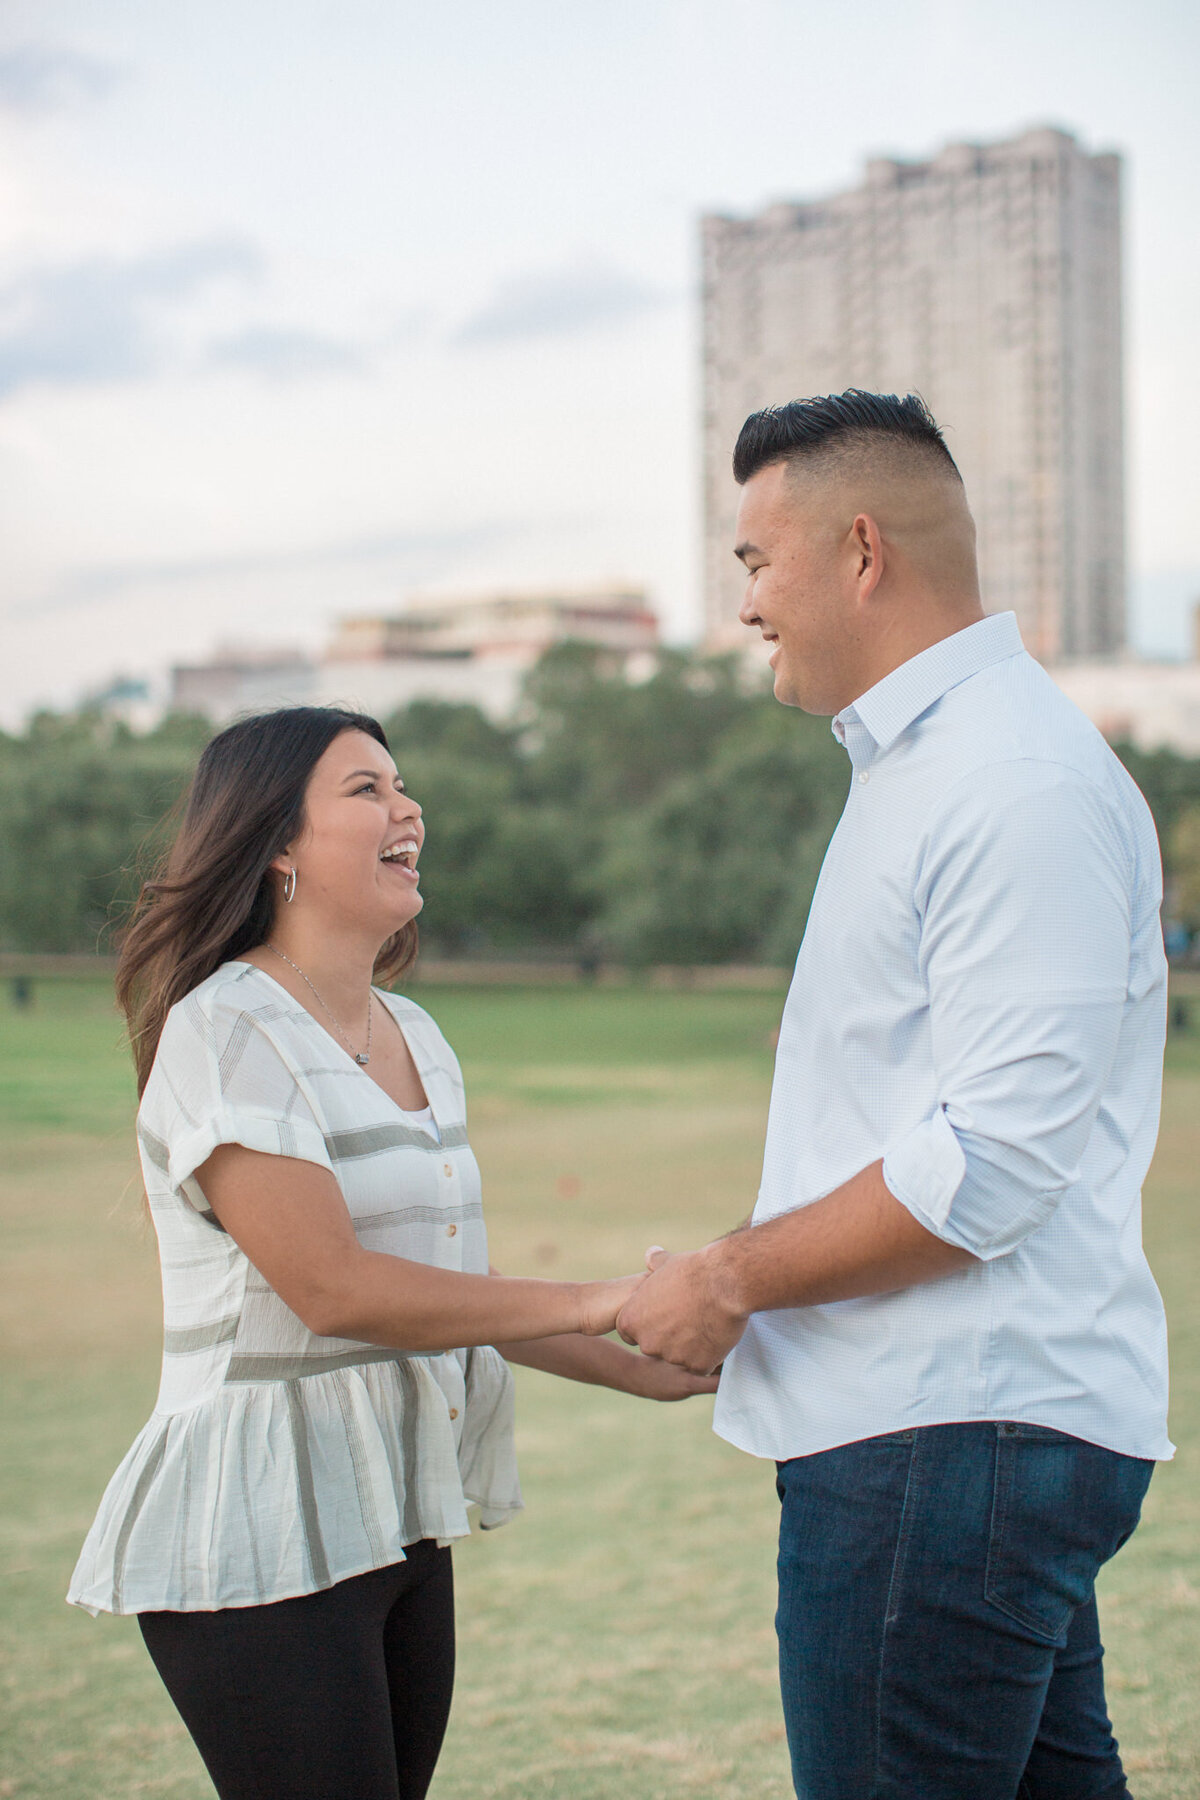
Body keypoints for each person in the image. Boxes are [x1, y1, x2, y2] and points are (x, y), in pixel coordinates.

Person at [616, 391, 1171, 1800]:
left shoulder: (1010, 777)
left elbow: (989, 1163)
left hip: (947, 1444)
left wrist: (733, 1276)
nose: (744, 605)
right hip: (955, 1441)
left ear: (860, 550)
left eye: (754, 558)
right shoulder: (930, 766)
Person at [68, 705, 715, 1800]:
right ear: (275, 843)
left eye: (401, 785)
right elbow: (332, 1289)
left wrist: (645, 1361)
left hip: (396, 1513)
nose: (407, 806)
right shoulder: (227, 1030)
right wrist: (605, 1295)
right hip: (259, 1523)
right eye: (365, 790)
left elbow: (453, 1296)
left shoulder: (419, 1037)